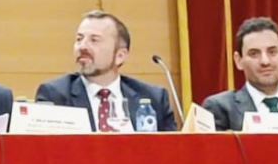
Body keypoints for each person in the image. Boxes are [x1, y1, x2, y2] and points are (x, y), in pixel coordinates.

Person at [35, 9, 176, 132]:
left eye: (94, 40)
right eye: (79, 39)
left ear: (120, 56)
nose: (82, 46)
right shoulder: (55, 96)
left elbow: (173, 152)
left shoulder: (153, 98)